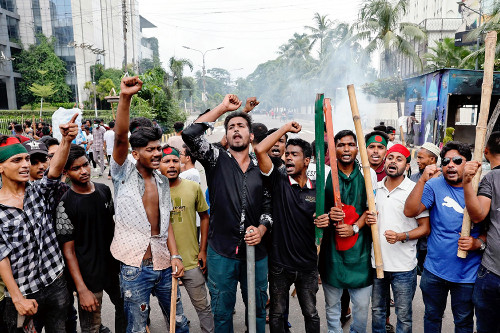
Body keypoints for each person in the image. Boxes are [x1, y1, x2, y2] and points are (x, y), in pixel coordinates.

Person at [182, 94, 271, 333]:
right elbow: (190, 134)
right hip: (221, 252)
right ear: (227, 135)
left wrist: (261, 229)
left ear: (251, 135)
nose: (236, 130)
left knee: (259, 313)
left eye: (241, 126)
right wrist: (223, 108)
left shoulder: (261, 165)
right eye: (231, 127)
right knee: (221, 314)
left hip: (257, 253)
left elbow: (268, 207)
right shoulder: (215, 159)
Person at [111, 76, 186, 333]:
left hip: (164, 264)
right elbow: (121, 138)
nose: (156, 154)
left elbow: (167, 226)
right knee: (137, 328)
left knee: (180, 324)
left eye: (158, 148)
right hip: (135, 268)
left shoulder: (162, 181)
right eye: (150, 150)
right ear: (135, 153)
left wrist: (175, 256)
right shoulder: (123, 175)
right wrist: (125, 97)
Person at [0, 114, 79, 332]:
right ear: (1, 168)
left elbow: (53, 172)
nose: (25, 165)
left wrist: (65, 141)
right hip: (24, 292)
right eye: (17, 161)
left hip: (55, 281)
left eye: (26, 159)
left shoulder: (37, 192)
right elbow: (1, 257)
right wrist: (17, 298)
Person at [254, 122, 328, 333]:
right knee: (277, 313)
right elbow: (259, 149)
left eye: (294, 154)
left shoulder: (318, 192)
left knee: (311, 313)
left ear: (307, 161)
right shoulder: (278, 180)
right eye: (286, 154)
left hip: (308, 265)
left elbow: (326, 220)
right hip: (280, 266)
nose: (287, 157)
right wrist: (285, 129)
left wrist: (325, 221)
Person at [404, 141, 484, 332]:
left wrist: (478, 243)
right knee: (432, 317)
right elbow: (410, 211)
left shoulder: (481, 187)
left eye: (457, 160)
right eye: (446, 161)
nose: (450, 165)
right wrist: (423, 180)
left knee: (463, 321)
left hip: (467, 274)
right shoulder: (434, 185)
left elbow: (489, 228)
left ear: (468, 163)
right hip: (434, 270)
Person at [56, 144, 125, 333]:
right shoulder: (65, 204)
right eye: (76, 168)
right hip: (88, 277)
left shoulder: (104, 190)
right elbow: (68, 251)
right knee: (91, 327)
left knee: (126, 311)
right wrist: (82, 289)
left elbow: (111, 226)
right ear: (66, 172)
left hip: (113, 268)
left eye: (85, 164)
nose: (84, 171)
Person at [319, 129, 377, 333]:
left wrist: (355, 227)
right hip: (332, 255)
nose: (346, 149)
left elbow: (372, 210)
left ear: (357, 148)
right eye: (341, 145)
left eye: (351, 144)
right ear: (333, 148)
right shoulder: (324, 175)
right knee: (332, 308)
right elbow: (315, 211)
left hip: (360, 255)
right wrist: (327, 214)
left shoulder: (369, 176)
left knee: (361, 309)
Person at [368, 144, 430, 333]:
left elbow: (425, 228)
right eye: (390, 158)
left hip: (403, 267)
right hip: (377, 264)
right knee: (378, 311)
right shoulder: (374, 188)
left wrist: (402, 236)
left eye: (399, 159)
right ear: (385, 161)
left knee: (403, 316)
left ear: (407, 165)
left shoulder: (415, 190)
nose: (393, 162)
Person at [160, 146, 214, 333]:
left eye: (175, 160)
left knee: (203, 306)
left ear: (181, 162)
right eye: (166, 161)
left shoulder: (192, 187)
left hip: (191, 260)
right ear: (158, 164)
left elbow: (205, 216)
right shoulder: (152, 191)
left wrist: (203, 250)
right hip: (163, 264)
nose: (172, 165)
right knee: (172, 311)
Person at [462, 131, 500, 333]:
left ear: (486, 152)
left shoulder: (492, 178)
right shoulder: (492, 178)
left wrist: (467, 182)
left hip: (493, 272)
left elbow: (477, 215)